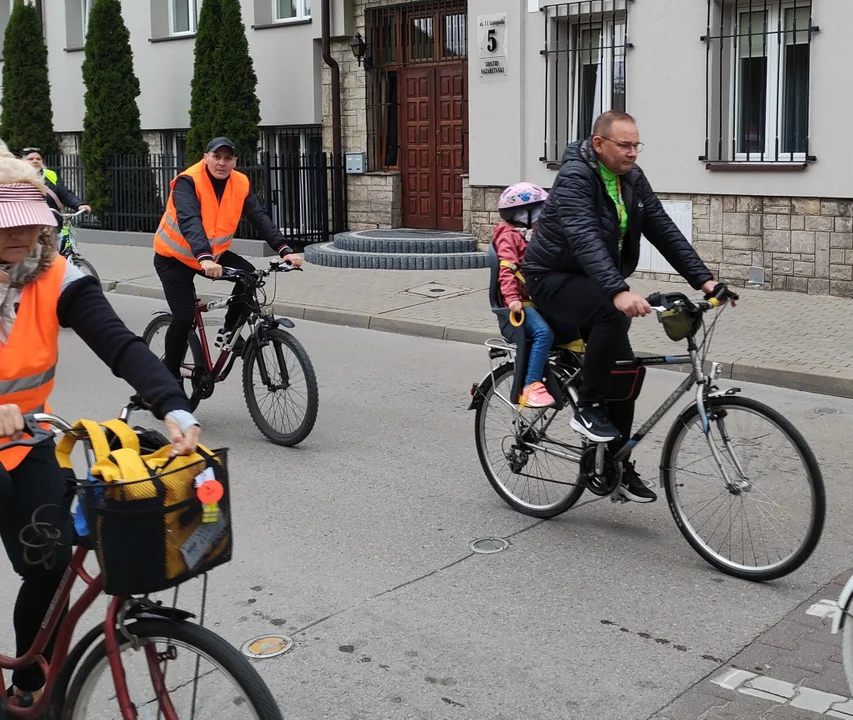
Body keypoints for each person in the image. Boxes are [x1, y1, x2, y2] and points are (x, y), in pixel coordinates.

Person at [0, 153, 201, 708]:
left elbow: (119, 342)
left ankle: (28, 682)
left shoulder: (54, 273)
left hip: (25, 443)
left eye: (28, 216)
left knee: (52, 560)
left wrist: (172, 407)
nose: (21, 230)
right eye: (5, 218)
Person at [523, 111, 720, 504]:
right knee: (612, 313)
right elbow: (581, 234)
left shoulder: (631, 177)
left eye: (636, 145)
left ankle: (614, 463)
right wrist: (617, 290)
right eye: (624, 145)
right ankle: (588, 408)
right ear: (599, 144)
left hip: (593, 280)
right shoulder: (576, 175)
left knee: (625, 375)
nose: (632, 153)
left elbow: (662, 228)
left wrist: (705, 280)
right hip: (551, 276)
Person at [153, 136, 303, 377]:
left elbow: (259, 217)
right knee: (182, 318)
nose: (222, 163)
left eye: (228, 158)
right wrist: (204, 258)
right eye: (216, 157)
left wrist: (284, 249)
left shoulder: (240, 183)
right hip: (175, 258)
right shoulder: (188, 181)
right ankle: (168, 378)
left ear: (234, 161)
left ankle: (228, 331)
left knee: (250, 277)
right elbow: (190, 220)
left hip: (212, 255)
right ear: (206, 158)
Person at [494, 182, 580, 409]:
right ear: (522, 213)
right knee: (543, 333)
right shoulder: (508, 236)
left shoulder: (527, 234)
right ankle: (530, 386)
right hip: (520, 304)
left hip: (536, 298)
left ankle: (572, 371)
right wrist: (512, 298)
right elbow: (507, 267)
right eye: (539, 210)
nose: (543, 215)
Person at [21, 147, 91, 236]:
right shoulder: (18, 177)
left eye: (38, 159)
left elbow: (64, 193)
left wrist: (79, 205)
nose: (35, 161)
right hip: (29, 224)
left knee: (58, 246)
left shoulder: (50, 175)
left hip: (52, 222)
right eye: (31, 159)